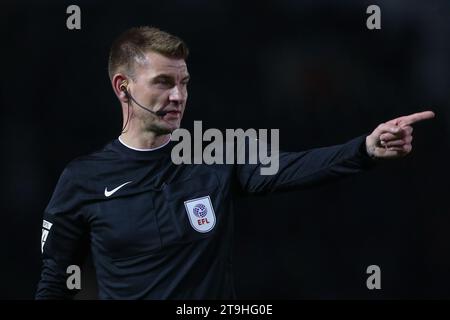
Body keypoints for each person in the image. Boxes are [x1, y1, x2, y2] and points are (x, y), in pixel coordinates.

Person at [35, 26, 434, 299]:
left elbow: (289, 167)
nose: (178, 96)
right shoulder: (83, 179)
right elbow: (55, 282)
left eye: (184, 83)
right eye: (163, 82)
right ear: (123, 87)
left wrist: (363, 148)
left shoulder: (212, 155)